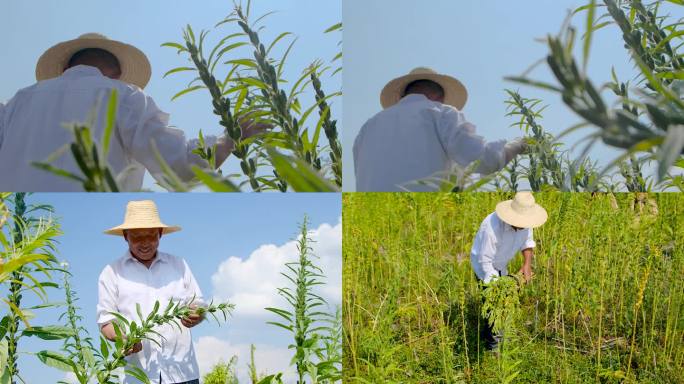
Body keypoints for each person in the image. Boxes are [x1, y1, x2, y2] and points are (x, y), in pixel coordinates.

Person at [0, 33, 263, 191]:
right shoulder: (124, 96)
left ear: (67, 67)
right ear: (116, 74)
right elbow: (178, 168)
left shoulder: (17, 102)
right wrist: (229, 139)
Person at [353, 67, 527, 191]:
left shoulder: (366, 129)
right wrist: (517, 145)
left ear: (402, 96)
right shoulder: (440, 112)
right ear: (439, 97)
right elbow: (483, 160)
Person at [97, 200, 204, 384]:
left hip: (183, 373)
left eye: (151, 235)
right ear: (125, 236)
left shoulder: (179, 265)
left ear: (160, 234)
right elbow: (106, 321)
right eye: (137, 237)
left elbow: (199, 303)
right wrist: (123, 337)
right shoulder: (111, 272)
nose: (145, 243)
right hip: (139, 376)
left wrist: (197, 314)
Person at [470, 191, 548, 350]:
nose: (523, 225)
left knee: (497, 308)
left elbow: (527, 242)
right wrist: (499, 288)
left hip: (501, 265)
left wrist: (527, 264)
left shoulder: (526, 223)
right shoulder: (491, 227)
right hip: (484, 267)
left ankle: (487, 335)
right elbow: (485, 261)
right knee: (495, 307)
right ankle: (493, 348)